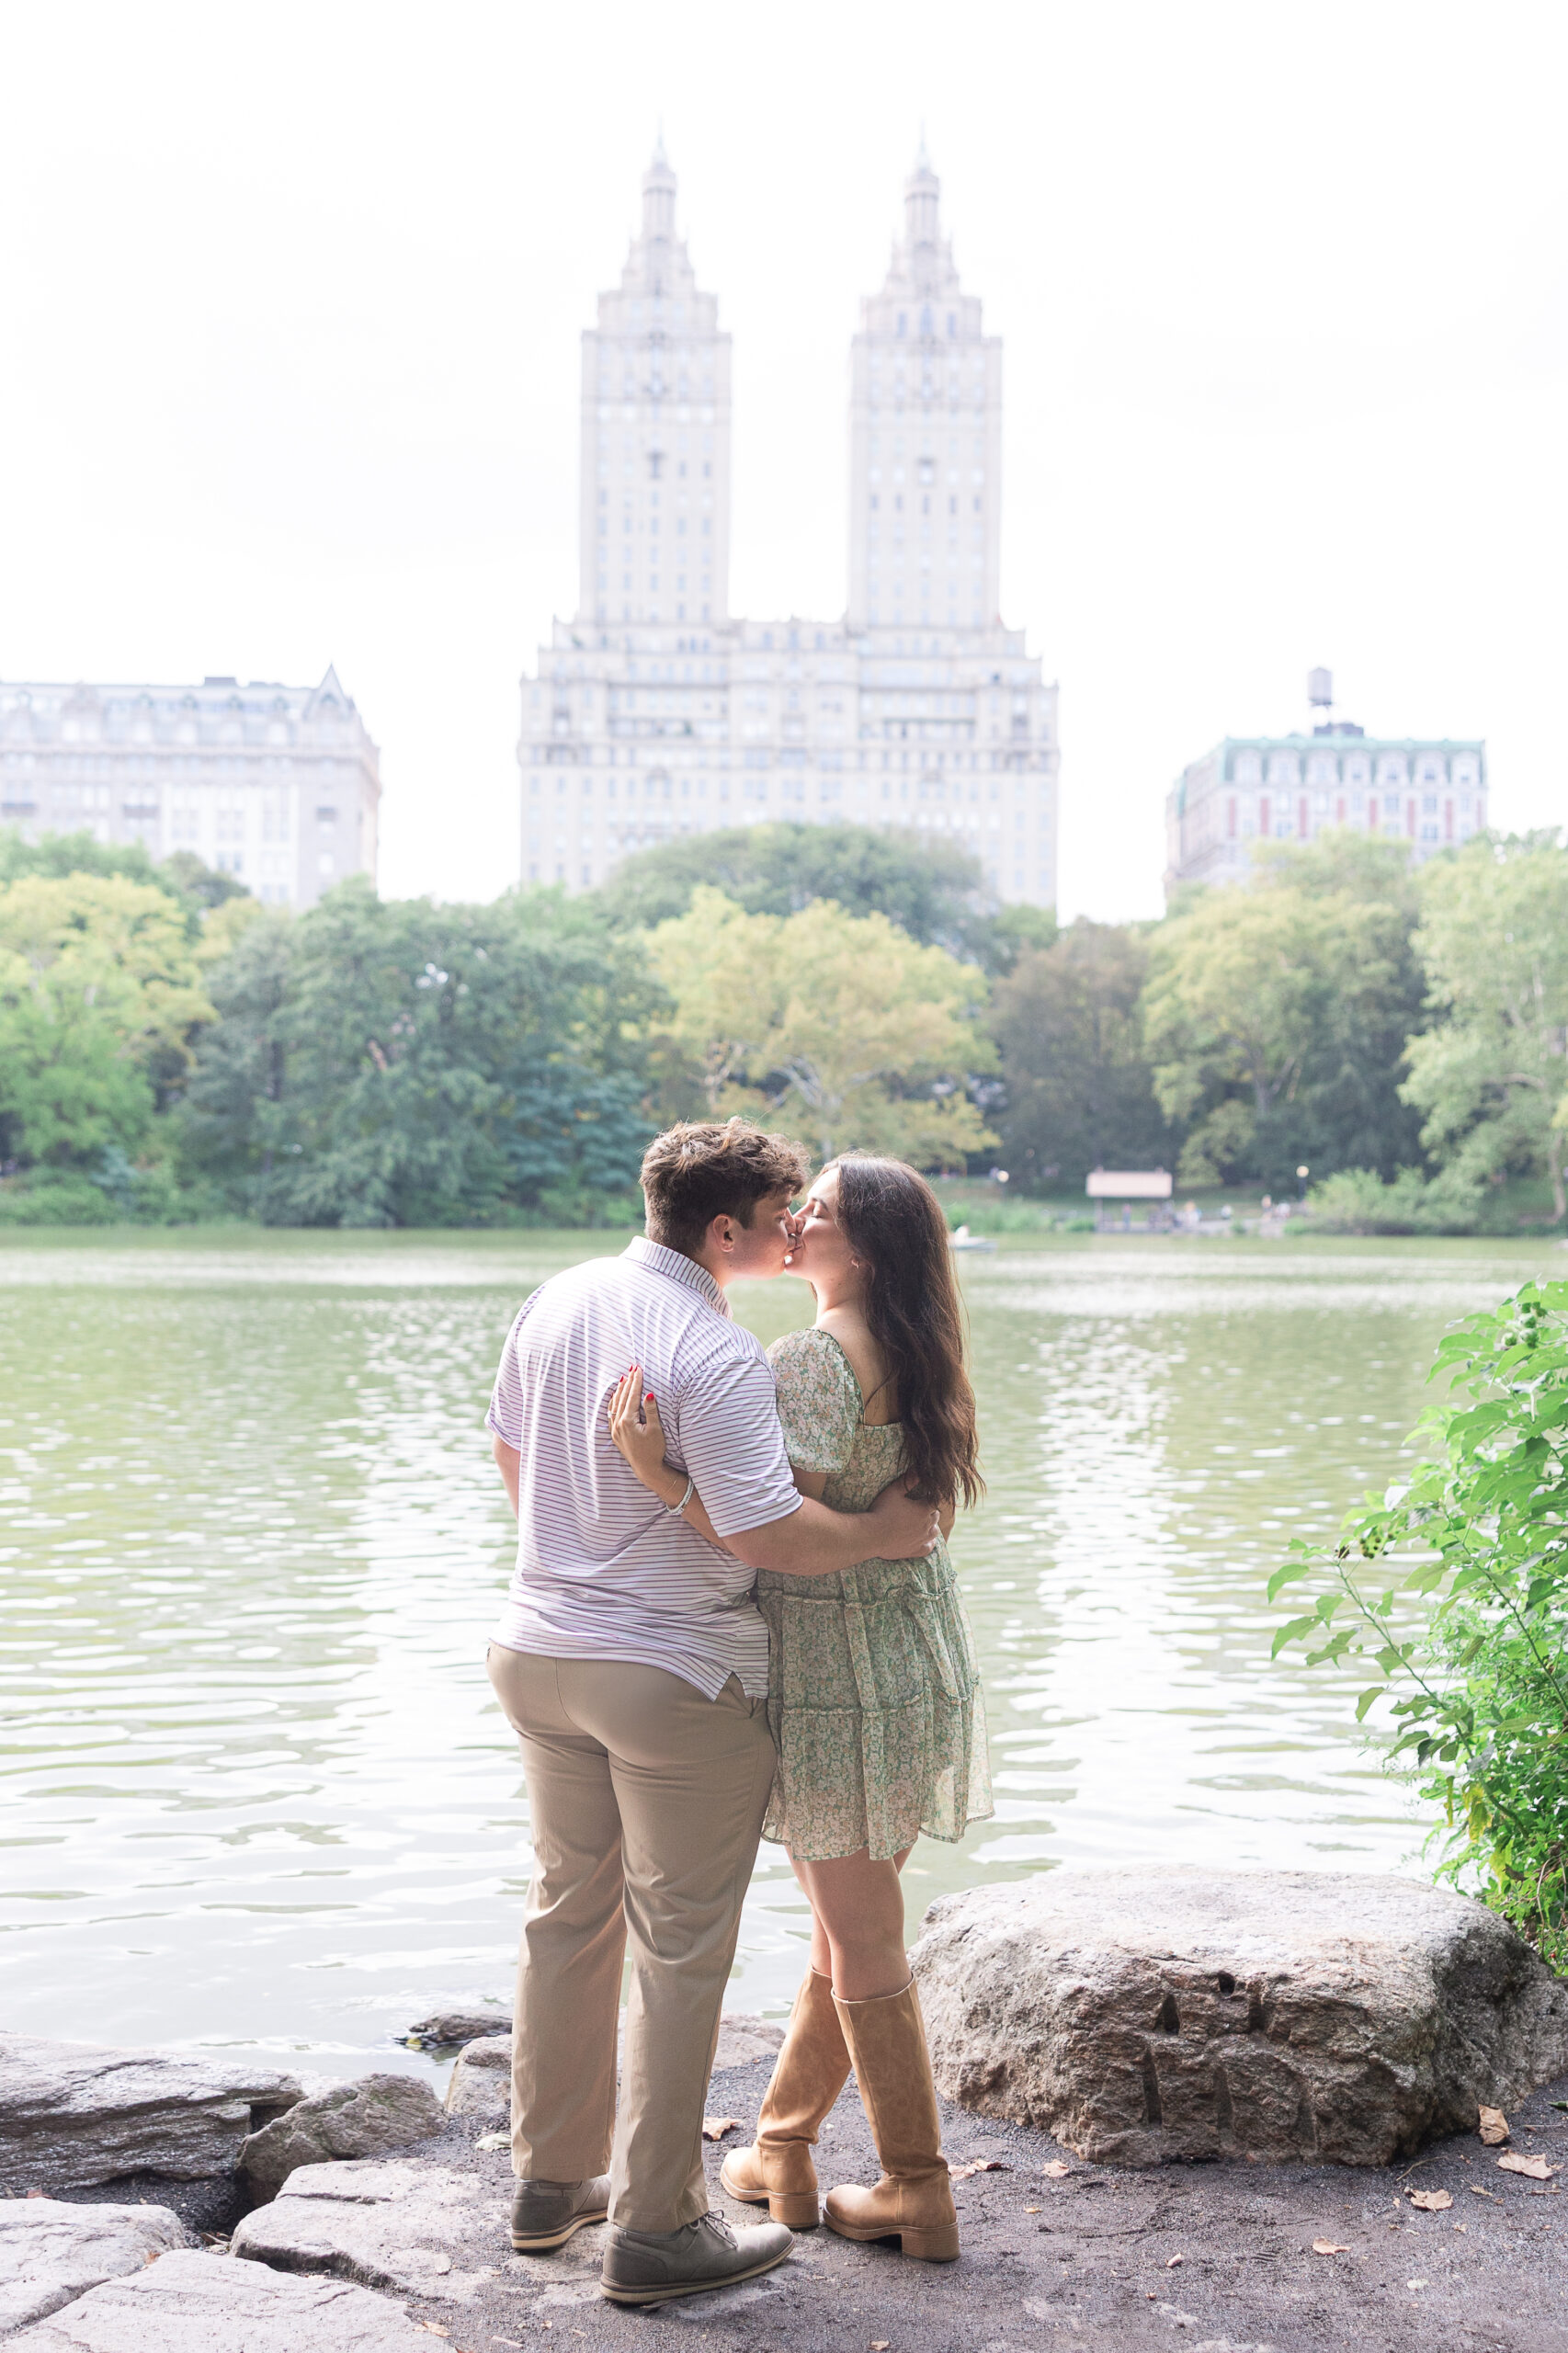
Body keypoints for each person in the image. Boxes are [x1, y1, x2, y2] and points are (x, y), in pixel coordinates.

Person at [484, 1120, 942, 2308]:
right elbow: (766, 1536)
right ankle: (656, 2228)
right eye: (782, 1214)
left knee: (564, 1916)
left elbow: (510, 1456)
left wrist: (579, 1554)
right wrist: (883, 1533)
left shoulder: (556, 1297)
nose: (794, 1231)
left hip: (534, 1649)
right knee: (678, 1949)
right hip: (668, 1677)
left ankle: (549, 2184)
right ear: (725, 1231)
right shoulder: (718, 1350)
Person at [608, 1152, 991, 2265]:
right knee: (842, 1925)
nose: (794, 1219)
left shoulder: (814, 1358)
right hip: (912, 1660)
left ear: (859, 1249)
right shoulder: (922, 1349)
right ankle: (781, 2148)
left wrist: (657, 1475)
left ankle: (917, 2187)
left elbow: (772, 1534)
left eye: (815, 1209)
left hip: (840, 1682)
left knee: (861, 1934)